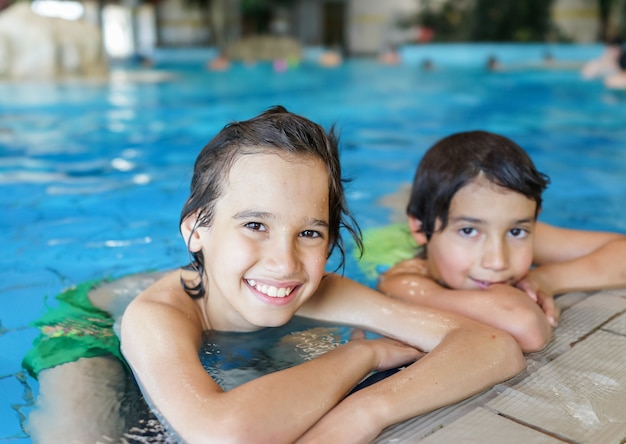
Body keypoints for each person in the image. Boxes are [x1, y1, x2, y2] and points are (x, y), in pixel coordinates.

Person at [120, 107, 525, 444]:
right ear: (196, 230)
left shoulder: (317, 292)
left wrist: (367, 410)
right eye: (255, 225)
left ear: (330, 244)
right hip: (87, 340)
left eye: (309, 233)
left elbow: (494, 347)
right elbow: (223, 434)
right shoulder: (155, 318)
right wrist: (363, 354)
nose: (285, 263)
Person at [378, 130, 626, 353]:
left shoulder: (510, 229)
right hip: (386, 243)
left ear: (533, 221)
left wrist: (546, 279)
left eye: (516, 232)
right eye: (468, 231)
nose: (498, 261)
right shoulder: (403, 282)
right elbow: (527, 327)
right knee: (397, 205)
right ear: (420, 228)